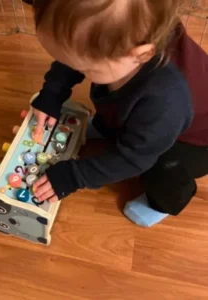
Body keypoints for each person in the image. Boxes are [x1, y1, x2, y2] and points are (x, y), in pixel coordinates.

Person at [30, 0, 208, 227]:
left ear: (141, 54)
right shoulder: (127, 39)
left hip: (195, 142)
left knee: (164, 168)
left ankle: (164, 203)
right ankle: (111, 127)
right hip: (149, 114)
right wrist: (51, 96)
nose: (78, 69)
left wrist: (74, 176)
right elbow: (71, 59)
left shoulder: (166, 100)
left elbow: (134, 158)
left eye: (85, 69)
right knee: (120, 105)